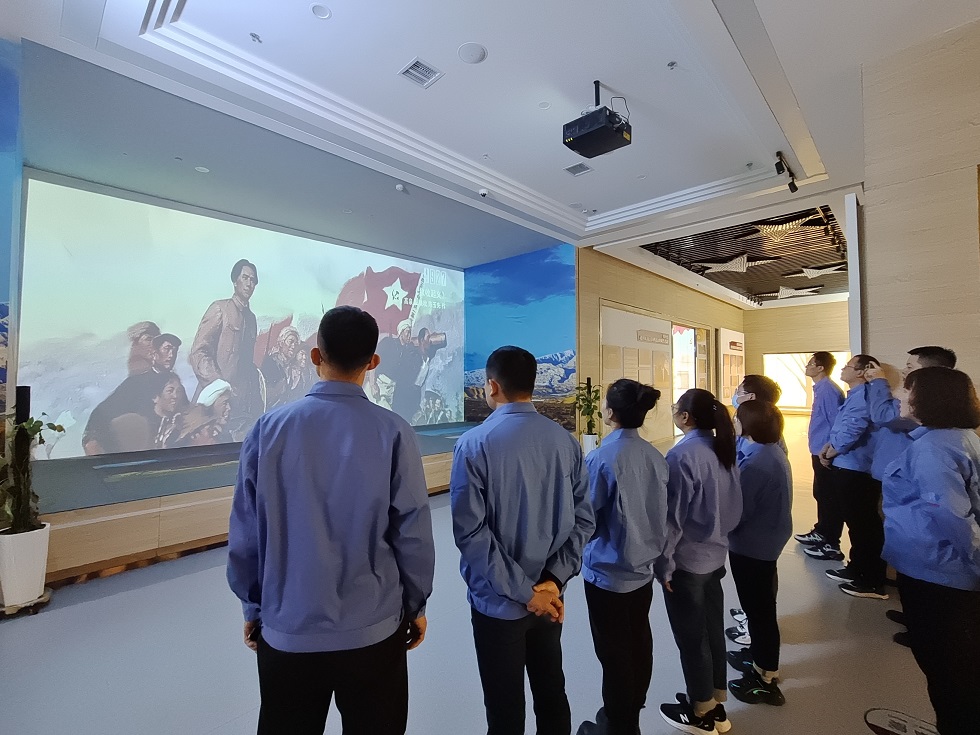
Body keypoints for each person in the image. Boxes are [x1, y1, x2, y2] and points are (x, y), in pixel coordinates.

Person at [227, 306, 435, 735]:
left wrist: (253, 604)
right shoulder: (394, 431)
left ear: (314, 355)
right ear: (373, 362)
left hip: (287, 629)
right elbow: (412, 532)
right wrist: (415, 605)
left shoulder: (267, 429)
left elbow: (246, 533)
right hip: (374, 631)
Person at [450, 345, 594, 735]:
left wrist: (523, 591)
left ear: (492, 386)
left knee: (504, 707)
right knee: (552, 693)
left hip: (498, 605)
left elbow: (471, 533)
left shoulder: (473, 444)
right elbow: (584, 520)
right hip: (550, 599)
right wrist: (552, 582)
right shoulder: (565, 441)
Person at [881, 367, 980, 735]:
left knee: (948, 672)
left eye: (907, 390)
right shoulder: (959, 438)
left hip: (938, 573)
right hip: (946, 571)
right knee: (956, 670)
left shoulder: (933, 449)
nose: (899, 397)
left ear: (929, 399)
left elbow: (953, 518)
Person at [578, 379, 668, 735]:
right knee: (638, 642)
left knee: (613, 653)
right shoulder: (655, 456)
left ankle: (619, 725)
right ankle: (630, 711)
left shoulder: (601, 458)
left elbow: (587, 519)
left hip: (607, 575)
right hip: (643, 573)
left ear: (610, 412)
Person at [657, 388, 741, 734]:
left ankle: (701, 712)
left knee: (692, 638)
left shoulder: (682, 456)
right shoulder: (723, 448)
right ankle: (716, 702)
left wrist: (664, 564)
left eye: (676, 408)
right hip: (715, 556)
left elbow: (673, 519)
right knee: (712, 630)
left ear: (685, 417)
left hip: (687, 562)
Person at [866, 346, 957, 645]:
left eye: (910, 366)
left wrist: (879, 382)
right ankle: (915, 616)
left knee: (924, 560)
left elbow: (883, 415)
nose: (904, 372)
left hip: (914, 499)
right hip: (901, 488)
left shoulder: (934, 426)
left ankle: (924, 628)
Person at [726, 400, 793, 707]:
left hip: (753, 546)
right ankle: (759, 658)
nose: (734, 422)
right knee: (761, 607)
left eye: (737, 418)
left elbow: (739, 511)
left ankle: (765, 676)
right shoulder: (769, 451)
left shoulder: (756, 465)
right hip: (765, 540)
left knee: (759, 611)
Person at [819, 355, 888, 599]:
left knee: (863, 525)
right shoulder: (856, 394)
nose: (843, 369)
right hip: (847, 465)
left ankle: (871, 579)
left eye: (848, 366)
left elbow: (853, 428)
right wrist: (829, 445)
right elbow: (843, 425)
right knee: (856, 523)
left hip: (856, 468)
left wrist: (832, 450)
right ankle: (857, 568)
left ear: (861, 372)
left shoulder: (864, 395)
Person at [189, 259, 262, 439]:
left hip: (239, 407)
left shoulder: (252, 319)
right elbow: (199, 351)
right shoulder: (219, 309)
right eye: (245, 278)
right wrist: (218, 385)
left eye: (253, 280)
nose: (249, 283)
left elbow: (246, 363)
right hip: (212, 404)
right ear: (235, 281)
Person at [795, 352, 846, 562]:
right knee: (821, 493)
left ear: (820, 367)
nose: (807, 366)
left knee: (828, 497)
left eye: (811, 363)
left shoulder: (828, 390)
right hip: (818, 449)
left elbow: (836, 423)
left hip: (824, 451)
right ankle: (821, 531)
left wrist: (829, 449)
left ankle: (830, 541)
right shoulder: (821, 388)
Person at [373, 320, 427, 422]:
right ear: (401, 332)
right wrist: (373, 384)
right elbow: (373, 361)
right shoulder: (388, 343)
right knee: (386, 415)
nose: (409, 335)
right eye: (407, 332)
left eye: (410, 332)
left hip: (394, 390)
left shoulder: (409, 351)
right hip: (382, 385)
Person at [261, 326, 306, 409]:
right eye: (291, 342)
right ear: (281, 343)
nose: (293, 346)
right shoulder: (271, 362)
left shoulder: (292, 368)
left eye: (296, 344)